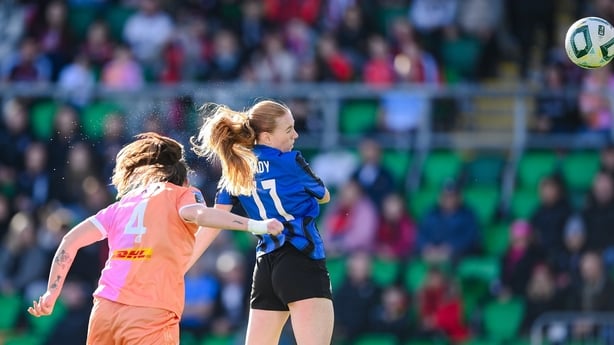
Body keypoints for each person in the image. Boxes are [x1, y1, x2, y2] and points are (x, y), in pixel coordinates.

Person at [26, 132, 283, 345]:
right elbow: (200, 214)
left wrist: (51, 293)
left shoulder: (124, 203)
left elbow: (69, 241)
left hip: (104, 310)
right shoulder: (182, 193)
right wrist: (256, 225)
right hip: (150, 313)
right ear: (182, 179)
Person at [189, 100, 334, 345]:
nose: (296, 135)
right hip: (301, 259)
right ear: (266, 137)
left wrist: (183, 262)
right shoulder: (292, 161)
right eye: (288, 130)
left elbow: (215, 219)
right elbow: (324, 195)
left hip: (265, 266)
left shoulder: (236, 167)